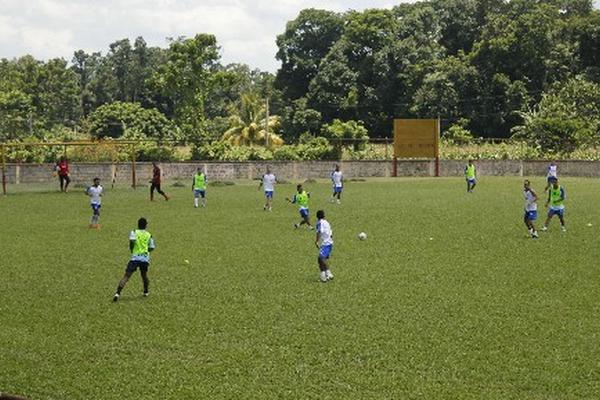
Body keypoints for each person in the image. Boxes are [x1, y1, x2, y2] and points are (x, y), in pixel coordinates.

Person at [113, 217, 155, 302]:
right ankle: (146, 292)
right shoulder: (149, 235)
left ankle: (117, 293)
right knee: (144, 275)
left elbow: (132, 241)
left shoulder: (134, 232)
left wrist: (132, 249)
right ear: (146, 225)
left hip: (135, 258)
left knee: (127, 276)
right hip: (144, 258)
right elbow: (152, 247)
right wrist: (146, 251)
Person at [315, 210, 334, 282]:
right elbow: (331, 234)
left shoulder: (319, 223)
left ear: (317, 216)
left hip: (325, 243)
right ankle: (323, 276)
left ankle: (329, 273)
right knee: (322, 260)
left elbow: (319, 232)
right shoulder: (327, 222)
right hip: (329, 242)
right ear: (324, 216)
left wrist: (317, 241)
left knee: (321, 258)